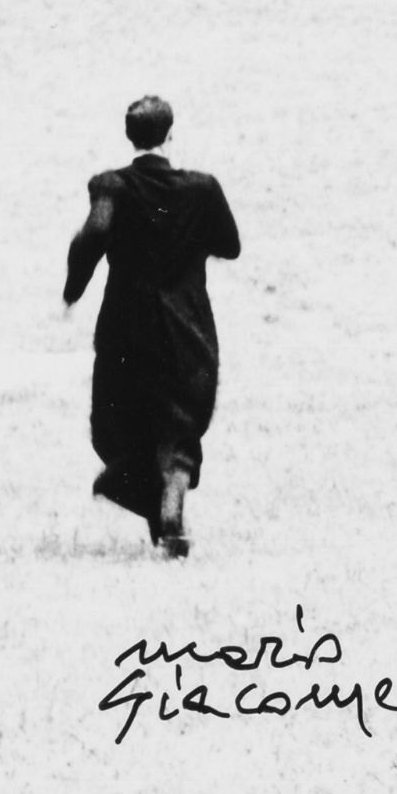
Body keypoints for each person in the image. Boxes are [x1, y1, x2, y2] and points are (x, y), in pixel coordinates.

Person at [62, 97, 242, 558]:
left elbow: (94, 232)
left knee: (117, 425)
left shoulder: (112, 185)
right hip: (188, 325)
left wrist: (73, 289)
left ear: (130, 136)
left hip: (127, 326)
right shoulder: (202, 189)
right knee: (179, 424)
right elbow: (230, 245)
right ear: (170, 134)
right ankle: (170, 509)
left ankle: (148, 502)